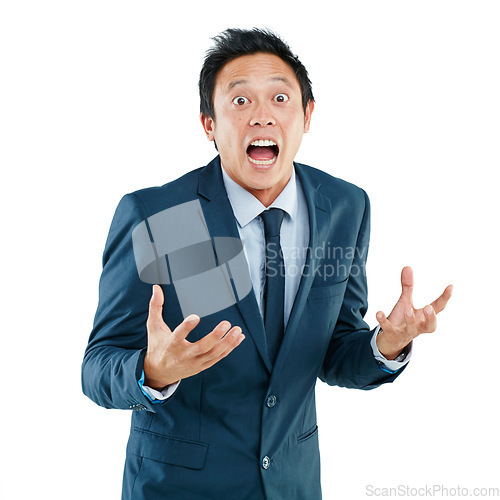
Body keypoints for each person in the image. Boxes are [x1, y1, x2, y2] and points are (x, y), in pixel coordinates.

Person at [82, 28, 452, 499]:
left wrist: (386, 345)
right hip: (179, 488)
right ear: (209, 123)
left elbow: (336, 352)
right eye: (240, 102)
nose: (262, 116)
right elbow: (97, 366)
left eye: (280, 98)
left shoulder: (343, 206)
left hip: (292, 487)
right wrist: (151, 371)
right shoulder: (162, 216)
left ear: (307, 115)